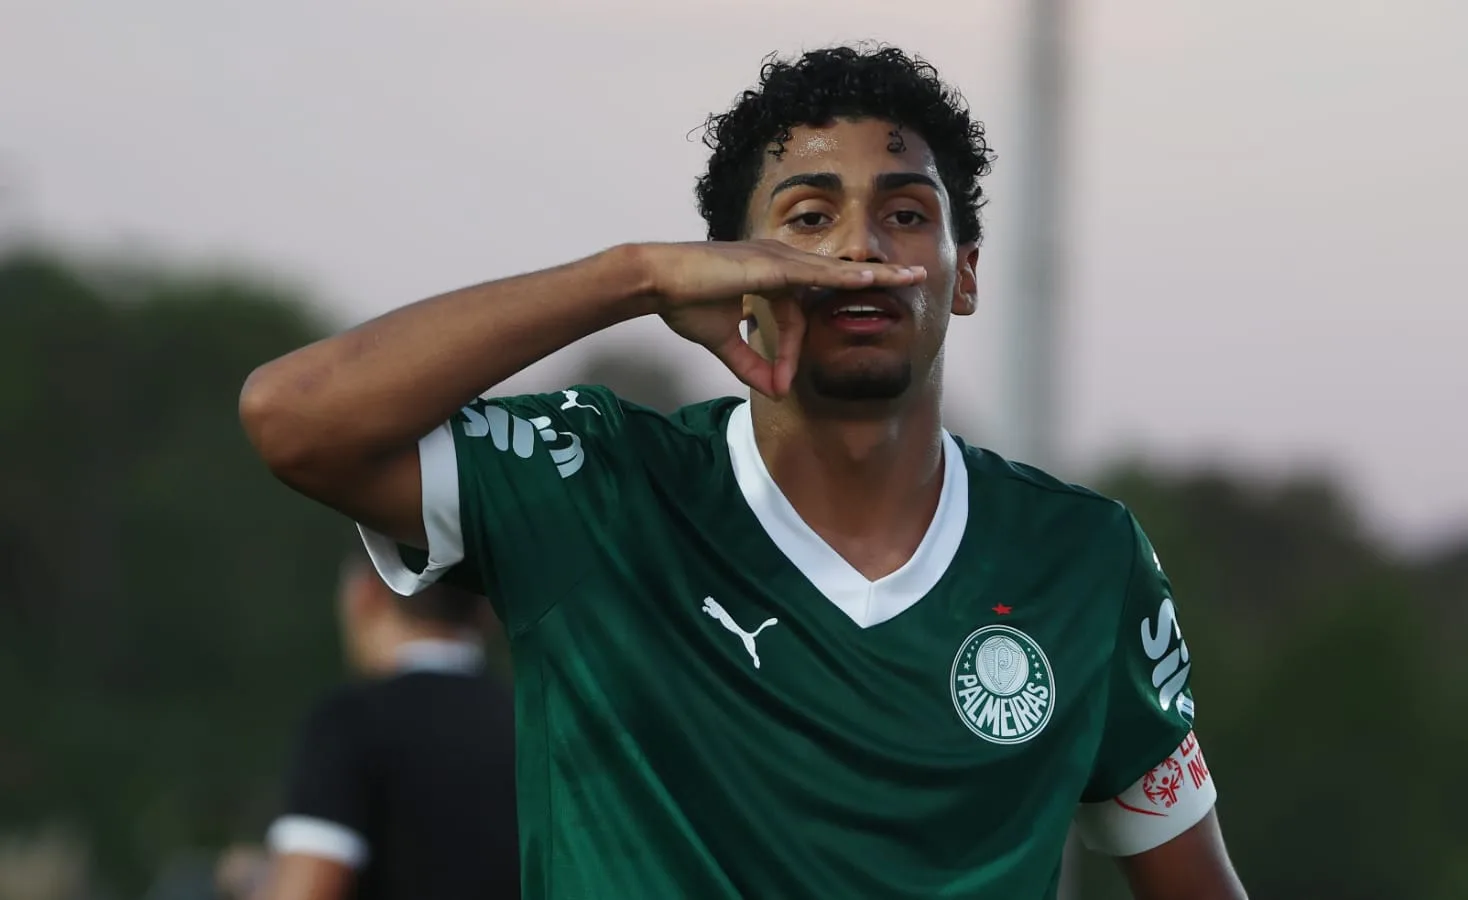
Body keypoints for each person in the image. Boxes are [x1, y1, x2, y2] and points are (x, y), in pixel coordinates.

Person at [239, 44, 1247, 900]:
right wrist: (629, 275)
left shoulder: (1082, 558)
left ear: (963, 270)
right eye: (808, 217)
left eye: (904, 213)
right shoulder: (597, 484)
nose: (858, 247)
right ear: (727, 273)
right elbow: (295, 418)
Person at [251, 555, 518, 900]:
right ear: (487, 608)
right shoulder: (529, 727)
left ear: (366, 593)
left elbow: (307, 888)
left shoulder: (351, 721)